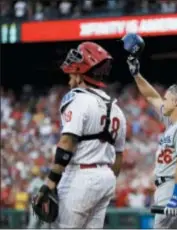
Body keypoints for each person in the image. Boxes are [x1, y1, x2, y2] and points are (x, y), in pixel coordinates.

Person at [33, 42, 126, 228]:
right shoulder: (117, 109)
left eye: (72, 72)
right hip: (106, 178)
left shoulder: (77, 98)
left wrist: (51, 182)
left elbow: (67, 141)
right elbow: (119, 157)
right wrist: (102, 182)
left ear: (80, 71)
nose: (69, 76)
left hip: (81, 176)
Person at [127, 54, 177, 228]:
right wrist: (137, 75)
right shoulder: (172, 123)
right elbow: (151, 96)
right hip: (167, 186)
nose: (163, 101)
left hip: (173, 186)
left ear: (175, 102)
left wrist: (175, 197)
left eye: (166, 99)